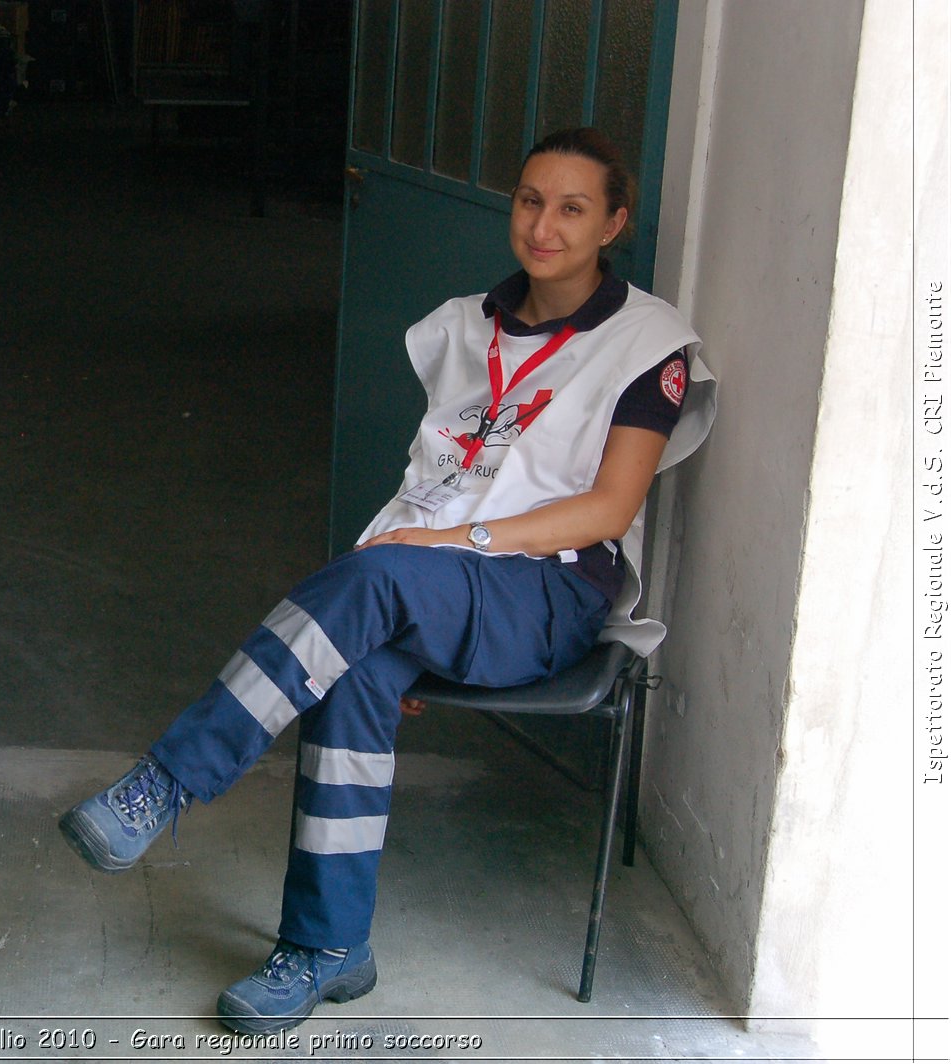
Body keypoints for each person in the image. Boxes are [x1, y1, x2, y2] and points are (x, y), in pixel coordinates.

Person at [59, 128, 716, 1034]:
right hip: (442, 581)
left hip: (550, 593)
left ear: (615, 220)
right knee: (354, 672)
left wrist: (451, 552)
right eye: (530, 200)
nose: (545, 225)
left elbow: (608, 509)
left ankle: (168, 782)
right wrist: (402, 601)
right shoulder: (467, 324)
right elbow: (430, 485)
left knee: (378, 586)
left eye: (573, 207)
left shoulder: (650, 344)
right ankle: (328, 948)